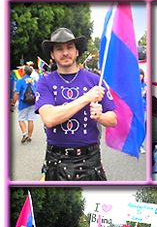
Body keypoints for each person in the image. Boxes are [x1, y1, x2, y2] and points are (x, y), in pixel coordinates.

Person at [35, 27, 117, 181]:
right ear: (52, 55)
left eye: (70, 47)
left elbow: (113, 120)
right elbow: (50, 119)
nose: (65, 53)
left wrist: (100, 117)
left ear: (77, 51)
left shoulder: (95, 80)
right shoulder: (44, 82)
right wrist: (86, 98)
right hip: (56, 159)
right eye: (59, 49)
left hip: (90, 159)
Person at [10, 65, 37, 144]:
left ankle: (24, 133)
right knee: (31, 119)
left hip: (23, 103)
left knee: (21, 119)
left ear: (24, 72)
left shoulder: (20, 81)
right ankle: (29, 136)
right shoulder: (34, 81)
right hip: (33, 102)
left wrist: (13, 103)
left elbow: (17, 93)